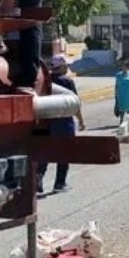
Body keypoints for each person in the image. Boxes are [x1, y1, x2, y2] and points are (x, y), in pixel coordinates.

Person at [37, 55, 85, 195]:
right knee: (64, 152)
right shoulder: (67, 81)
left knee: (46, 151)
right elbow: (74, 103)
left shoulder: (46, 80)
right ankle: (60, 183)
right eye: (66, 65)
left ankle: (39, 178)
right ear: (62, 66)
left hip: (47, 122)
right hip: (64, 122)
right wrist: (81, 121)